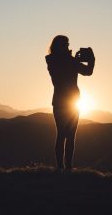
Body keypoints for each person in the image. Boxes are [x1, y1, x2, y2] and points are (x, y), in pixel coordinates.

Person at [45, 35, 95, 171]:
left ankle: (65, 167)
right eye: (65, 44)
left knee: (67, 135)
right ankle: (64, 167)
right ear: (59, 46)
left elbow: (87, 72)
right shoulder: (56, 61)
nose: (68, 47)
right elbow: (85, 71)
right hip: (68, 102)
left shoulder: (59, 61)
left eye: (68, 44)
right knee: (65, 135)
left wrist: (87, 60)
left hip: (66, 101)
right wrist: (85, 60)